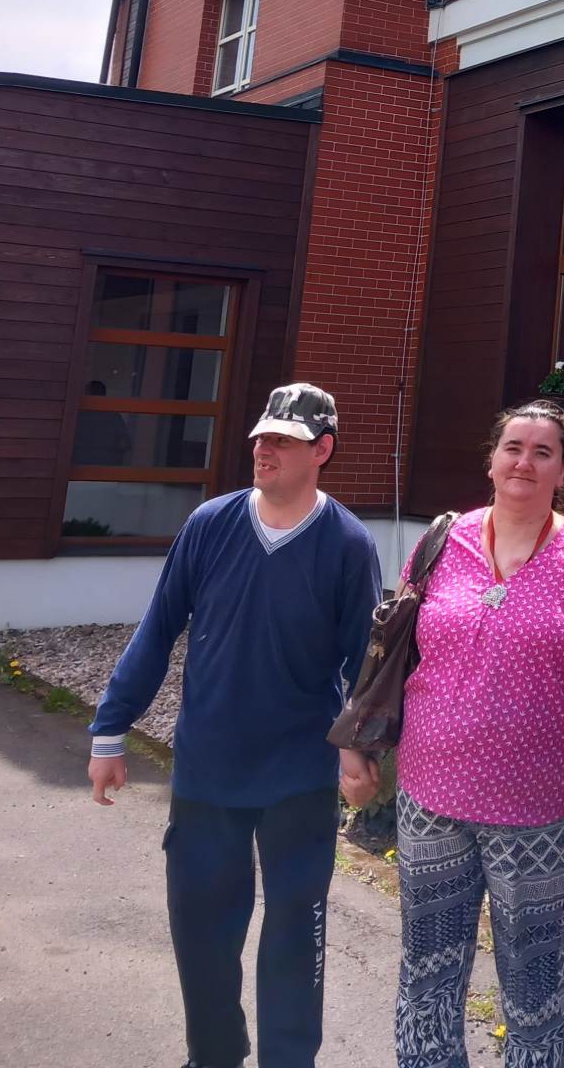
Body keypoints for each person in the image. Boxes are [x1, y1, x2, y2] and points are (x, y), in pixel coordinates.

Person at [87, 383, 382, 1068]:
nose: (263, 448)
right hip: (209, 768)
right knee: (202, 933)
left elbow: (363, 665)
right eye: (261, 436)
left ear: (322, 450)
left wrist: (360, 749)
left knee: (294, 936)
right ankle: (213, 1055)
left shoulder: (347, 544)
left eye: (283, 439)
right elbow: (158, 628)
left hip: (298, 777)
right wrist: (110, 730)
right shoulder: (210, 524)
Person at [375, 400, 564, 1068]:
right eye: (514, 447)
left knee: (534, 979)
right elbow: (396, 650)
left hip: (534, 808)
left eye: (543, 452)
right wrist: (361, 745)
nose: (525, 461)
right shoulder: (442, 542)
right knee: (428, 970)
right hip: (430, 793)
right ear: (491, 461)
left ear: (562, 471)